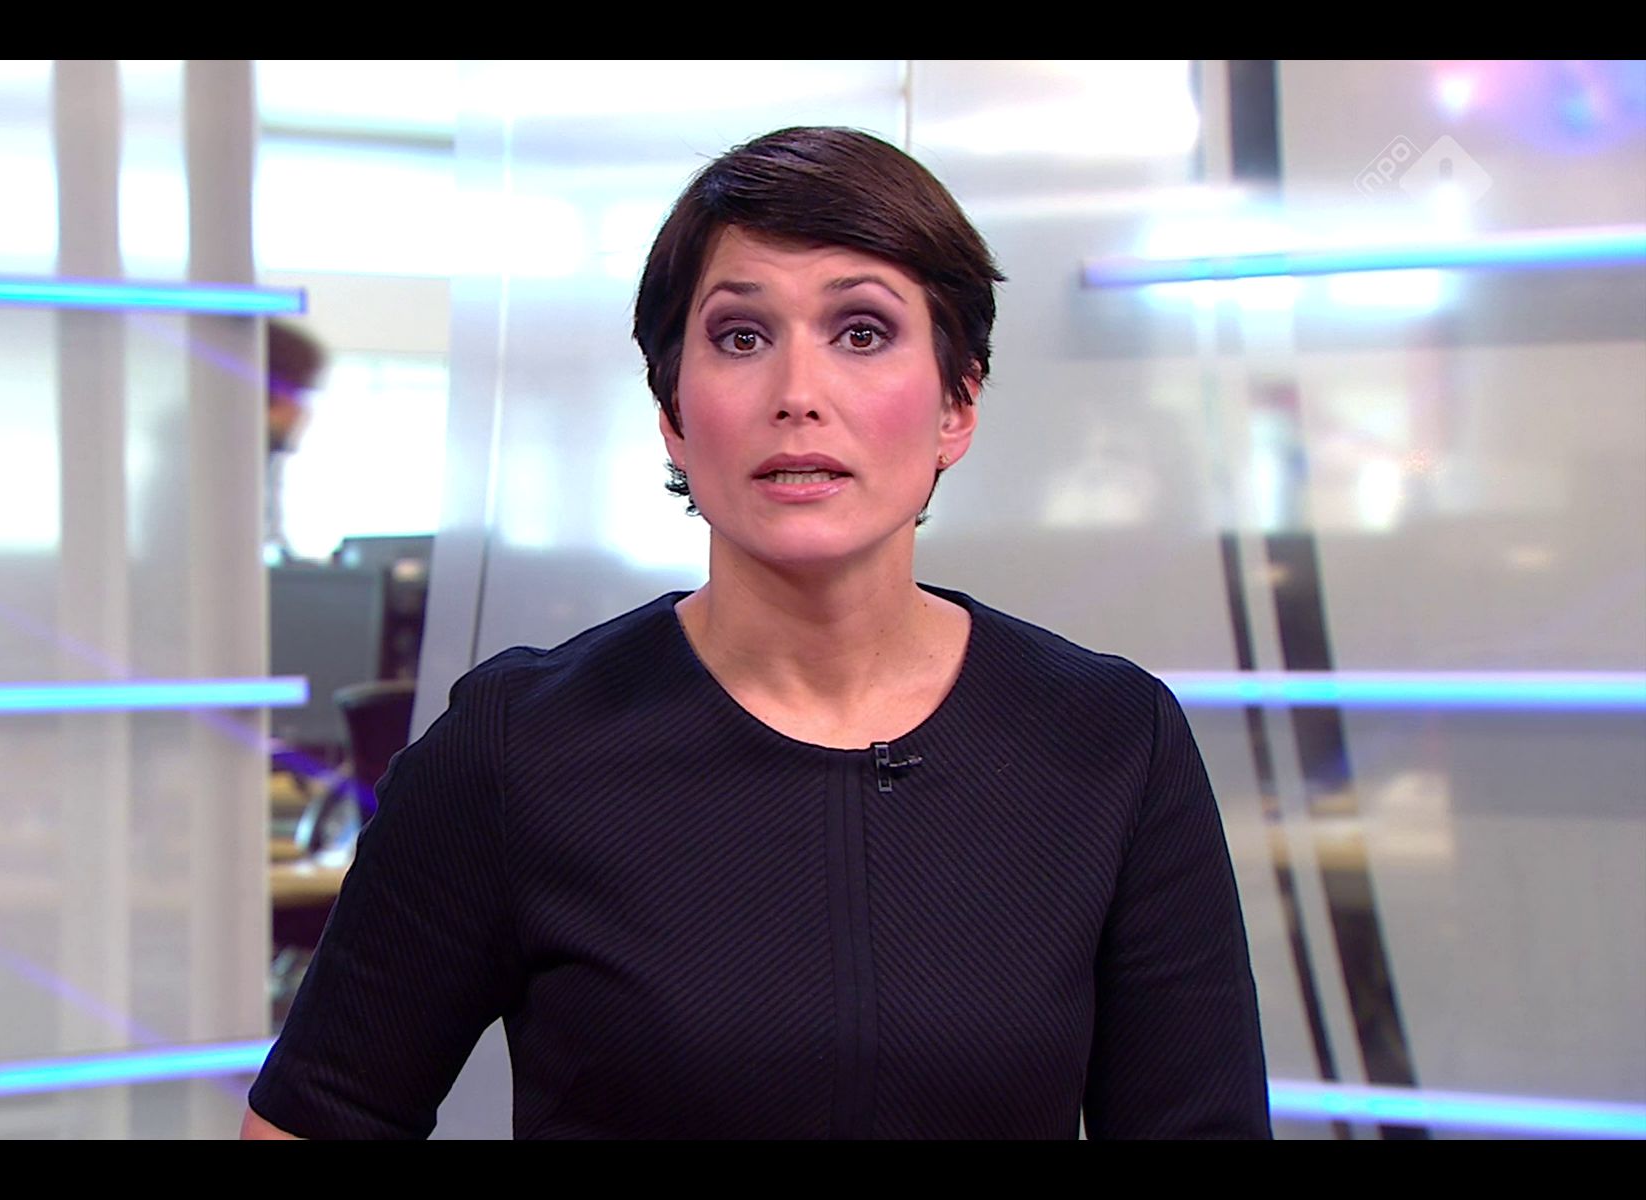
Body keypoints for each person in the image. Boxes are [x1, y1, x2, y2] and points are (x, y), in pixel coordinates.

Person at [242, 127, 1271, 1140]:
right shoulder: (516, 749)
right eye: (741, 337)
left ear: (957, 403)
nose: (797, 396)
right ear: (674, 414)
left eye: (861, 332)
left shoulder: (1111, 742)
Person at [262, 319, 328, 563]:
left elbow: (272, 543)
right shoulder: (214, 468)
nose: (304, 412)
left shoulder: (264, 465)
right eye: (299, 394)